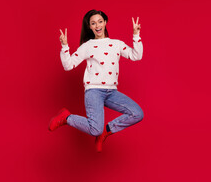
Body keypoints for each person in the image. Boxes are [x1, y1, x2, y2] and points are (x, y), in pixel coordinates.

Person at [49, 9, 144, 152]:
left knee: (137, 113)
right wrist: (65, 46)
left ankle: (107, 131)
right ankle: (67, 118)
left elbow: (136, 55)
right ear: (90, 27)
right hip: (94, 91)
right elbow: (68, 65)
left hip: (111, 92)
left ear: (105, 22)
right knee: (95, 130)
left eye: (100, 21)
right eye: (93, 23)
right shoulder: (88, 46)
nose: (97, 25)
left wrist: (136, 35)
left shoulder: (116, 44)